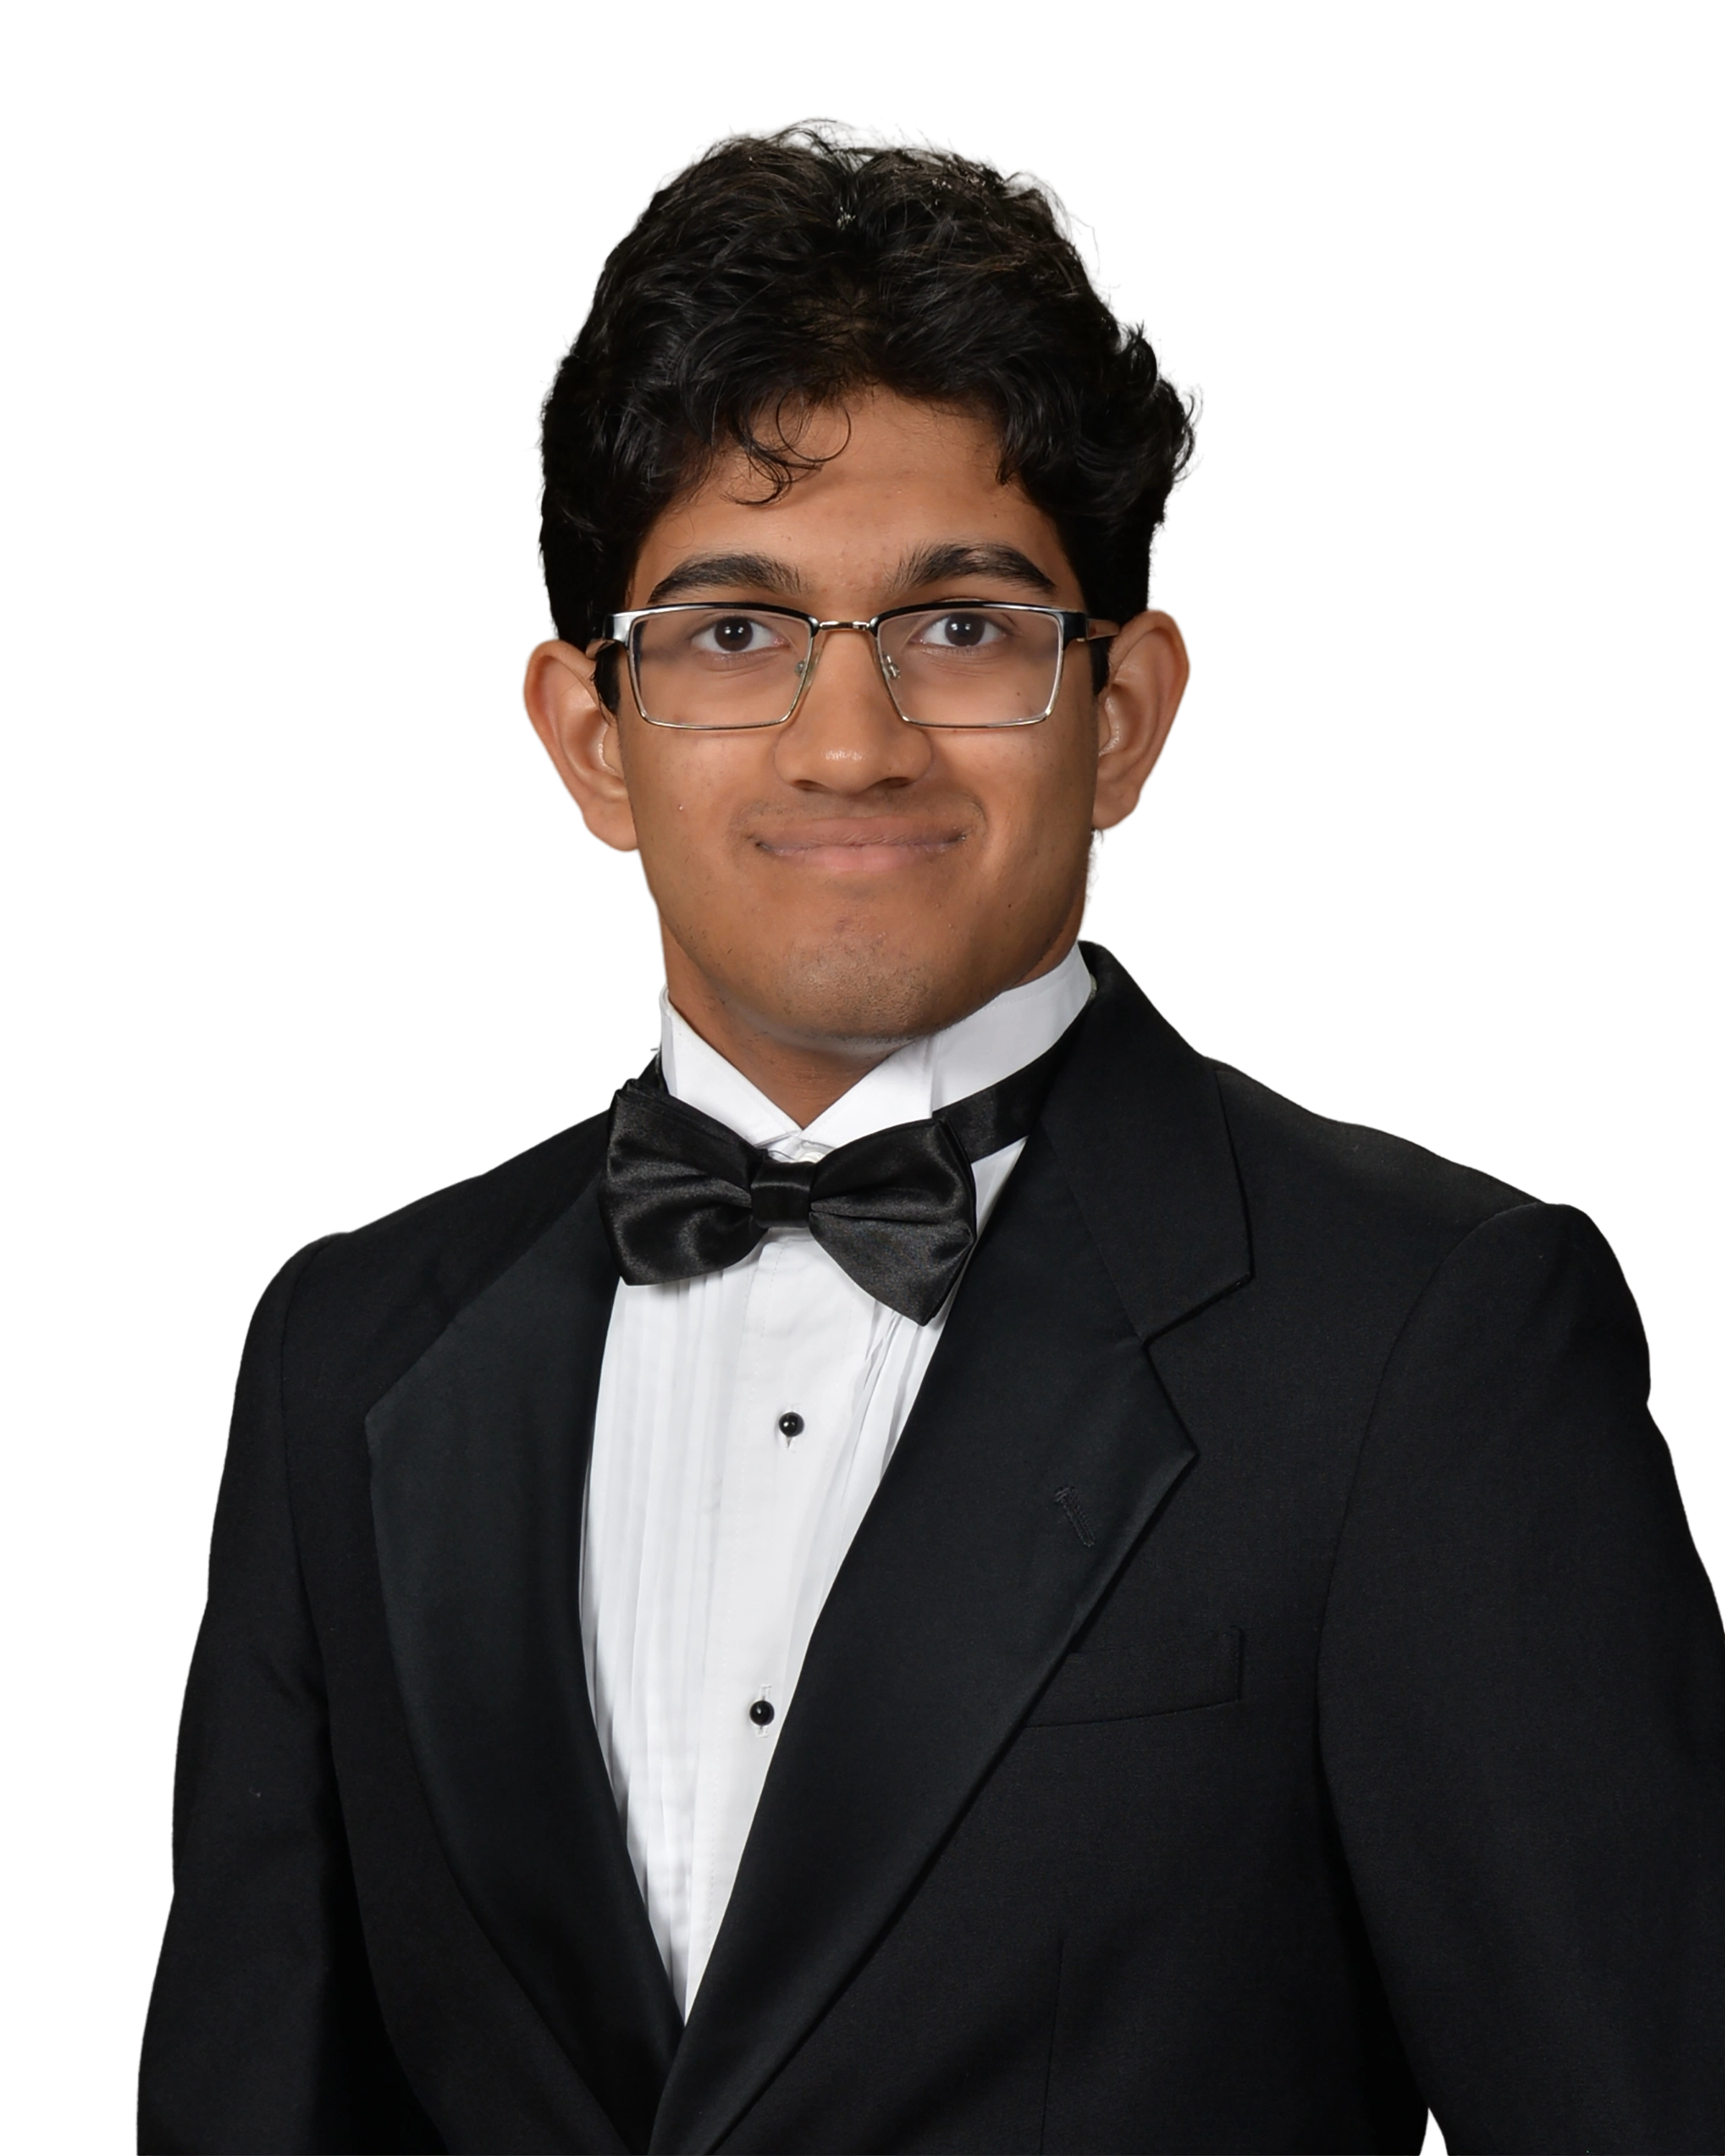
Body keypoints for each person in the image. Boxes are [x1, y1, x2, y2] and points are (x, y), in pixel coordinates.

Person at [134, 114, 1725, 2156]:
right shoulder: (345, 1349)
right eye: (734, 631)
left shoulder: (1435, 1340)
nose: (850, 742)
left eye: (962, 624)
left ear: (1124, 713)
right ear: (591, 739)